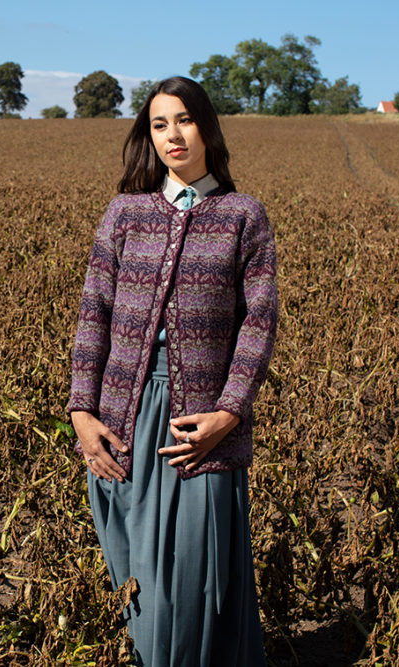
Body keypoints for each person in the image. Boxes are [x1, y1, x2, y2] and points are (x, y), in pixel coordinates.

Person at [67, 76, 277, 666]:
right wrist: (82, 413)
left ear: (207, 126)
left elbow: (258, 325)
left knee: (191, 584)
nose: (172, 135)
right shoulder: (125, 214)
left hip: (200, 426)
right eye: (159, 124)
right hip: (123, 422)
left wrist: (229, 415)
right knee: (137, 586)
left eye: (183, 120)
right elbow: (94, 316)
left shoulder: (243, 216)